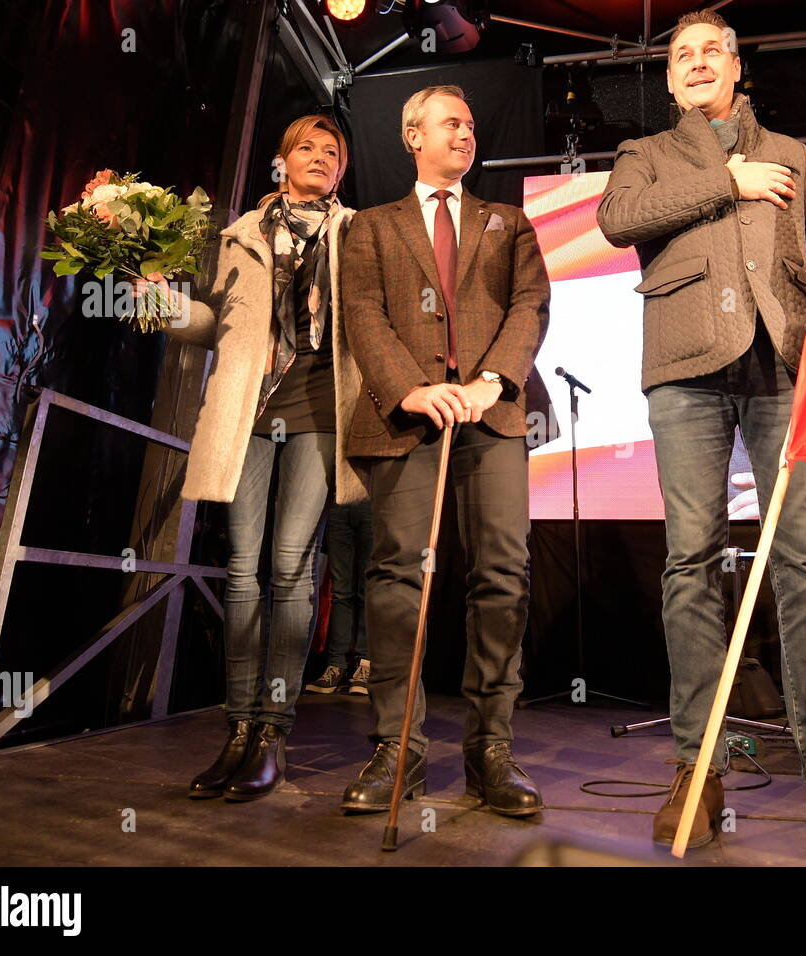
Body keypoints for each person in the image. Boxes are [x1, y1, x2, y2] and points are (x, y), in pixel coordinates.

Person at [596, 10, 806, 862]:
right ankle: (698, 767)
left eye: (712, 51)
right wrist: (726, 181)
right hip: (684, 370)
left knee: (805, 559)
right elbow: (618, 219)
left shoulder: (790, 153)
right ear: (670, 78)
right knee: (691, 559)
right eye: (682, 55)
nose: (697, 62)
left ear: (737, 69)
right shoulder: (644, 153)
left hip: (783, 367)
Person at [339, 85, 550, 818]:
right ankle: (397, 749)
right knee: (398, 574)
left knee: (503, 571)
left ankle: (491, 749)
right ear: (413, 135)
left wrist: (491, 382)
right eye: (451, 123)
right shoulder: (370, 226)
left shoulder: (508, 221)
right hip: (406, 420)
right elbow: (362, 313)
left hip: (493, 416)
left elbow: (530, 305)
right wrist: (411, 389)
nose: (465, 133)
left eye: (470, 124)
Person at [163, 114, 365, 801]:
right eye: (307, 147)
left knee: (290, 567)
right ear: (283, 159)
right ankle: (238, 728)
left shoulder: (356, 233)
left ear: (342, 170)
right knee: (242, 570)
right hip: (247, 411)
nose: (320, 158)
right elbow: (213, 323)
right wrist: (161, 304)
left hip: (318, 410)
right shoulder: (240, 234)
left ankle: (273, 732)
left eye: (332, 152)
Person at [304, 498, 374, 697]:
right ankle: (336, 665)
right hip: (339, 503)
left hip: (372, 501)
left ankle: (365, 663)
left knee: (367, 589)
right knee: (340, 592)